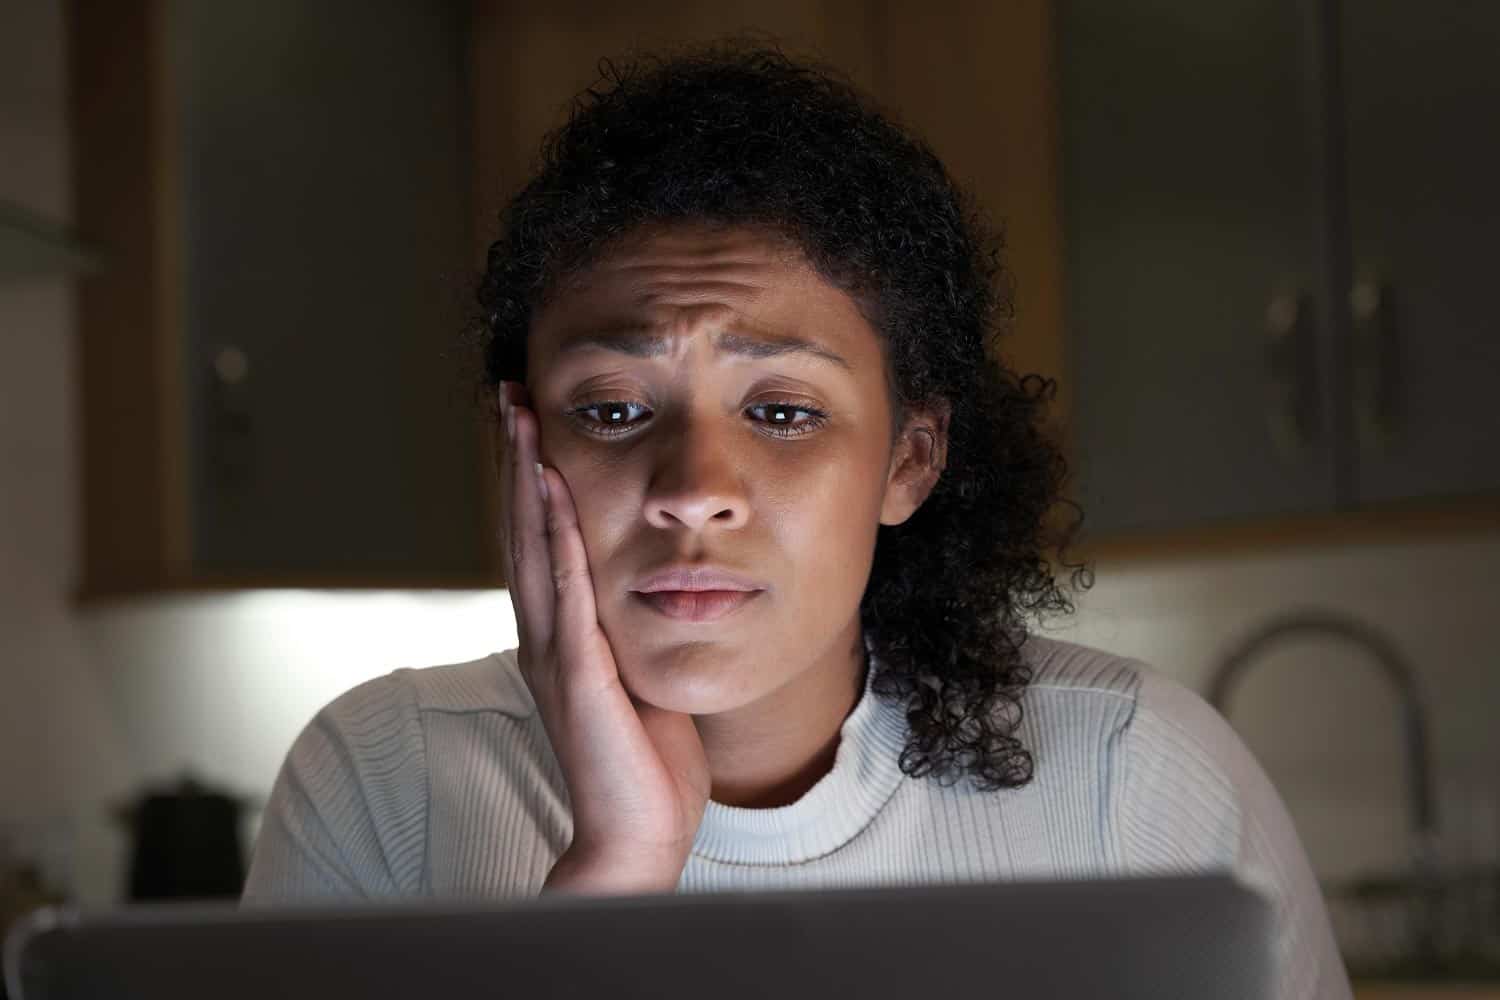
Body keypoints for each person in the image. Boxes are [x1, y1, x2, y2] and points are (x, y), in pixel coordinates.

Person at [242, 44, 1352, 998]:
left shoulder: (1130, 775)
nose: (693, 486)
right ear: (523, 444)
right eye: (614, 408)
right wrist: (616, 868)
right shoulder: (385, 782)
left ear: (908, 459)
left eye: (781, 411)